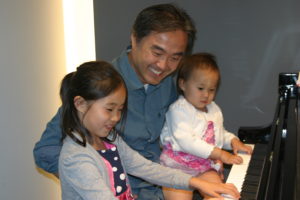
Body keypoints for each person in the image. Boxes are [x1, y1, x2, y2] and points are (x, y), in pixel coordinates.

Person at [34, 3, 198, 199]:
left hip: (159, 187)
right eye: (157, 53)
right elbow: (46, 150)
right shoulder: (103, 87)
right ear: (135, 38)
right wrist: (91, 179)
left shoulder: (166, 86)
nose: (163, 65)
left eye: (174, 58)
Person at [58, 61, 240, 200]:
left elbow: (145, 168)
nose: (115, 118)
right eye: (109, 109)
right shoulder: (75, 158)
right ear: (80, 104)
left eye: (120, 110)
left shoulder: (109, 139)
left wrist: (197, 182)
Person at [159, 53, 253, 200]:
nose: (206, 95)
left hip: (204, 166)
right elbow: (187, 142)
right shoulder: (179, 109)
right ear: (183, 84)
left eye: (211, 90)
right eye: (201, 88)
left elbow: (219, 134)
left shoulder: (213, 109)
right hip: (177, 167)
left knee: (219, 193)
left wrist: (234, 141)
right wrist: (221, 154)